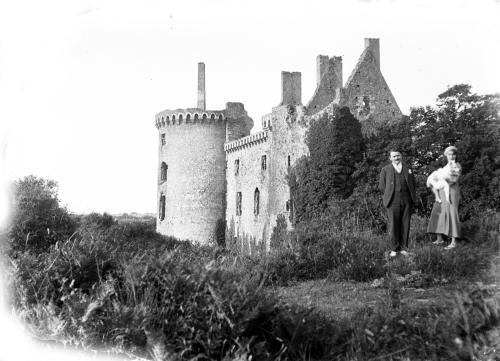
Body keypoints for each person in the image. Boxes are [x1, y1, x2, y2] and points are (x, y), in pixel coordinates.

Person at [379, 150, 417, 257]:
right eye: (394, 156)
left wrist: (410, 197)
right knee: (394, 225)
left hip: (407, 199)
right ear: (390, 158)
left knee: (405, 224)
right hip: (393, 199)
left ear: (401, 156)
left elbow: (413, 183)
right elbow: (382, 186)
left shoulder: (408, 169)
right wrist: (391, 193)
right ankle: (394, 249)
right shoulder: (385, 170)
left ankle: (404, 248)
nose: (396, 158)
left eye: (398, 156)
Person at [426, 146, 462, 249]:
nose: (451, 156)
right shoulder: (445, 167)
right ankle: (440, 238)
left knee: (452, 213)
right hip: (442, 191)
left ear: (455, 155)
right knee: (438, 211)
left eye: (453, 154)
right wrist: (437, 180)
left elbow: (453, 179)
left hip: (452, 191)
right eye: (449, 154)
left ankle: (454, 241)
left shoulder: (457, 165)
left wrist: (441, 178)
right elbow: (436, 178)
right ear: (446, 155)